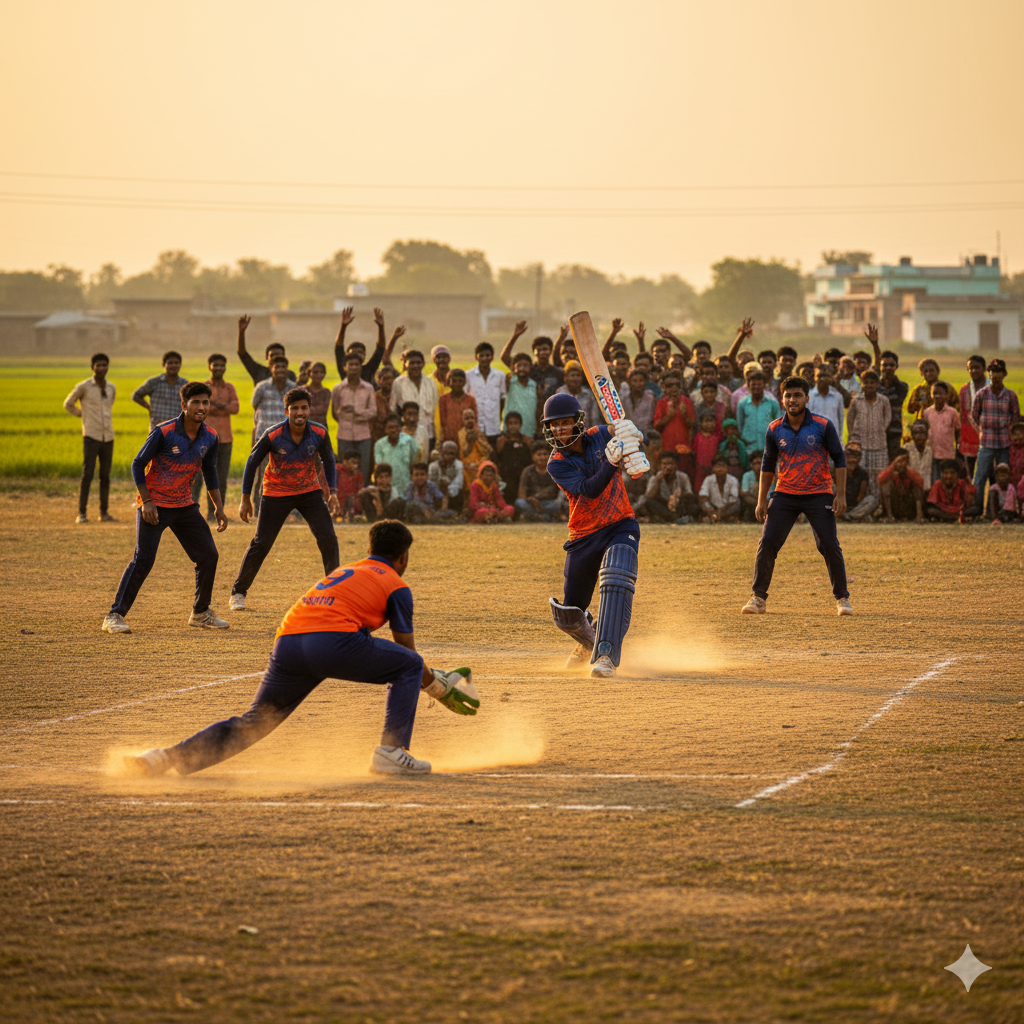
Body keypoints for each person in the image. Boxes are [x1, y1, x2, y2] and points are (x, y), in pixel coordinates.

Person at [124, 520, 480, 779]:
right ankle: (392, 751)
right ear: (403, 557)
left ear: (369, 550)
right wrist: (437, 686)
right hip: (332, 642)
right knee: (408, 664)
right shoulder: (395, 583)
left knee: (255, 722)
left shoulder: (348, 570)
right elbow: (408, 655)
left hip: (288, 641)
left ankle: (164, 758)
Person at [102, 381, 228, 635]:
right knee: (144, 560)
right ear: (184, 405)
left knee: (208, 555)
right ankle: (114, 615)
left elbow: (210, 470)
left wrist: (219, 508)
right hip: (155, 506)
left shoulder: (211, 436)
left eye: (205, 402)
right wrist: (146, 501)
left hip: (184, 504)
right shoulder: (164, 431)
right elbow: (138, 464)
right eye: (196, 402)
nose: (201, 407)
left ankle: (200, 612)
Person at [543, 393, 646, 677]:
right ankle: (589, 641)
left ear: (578, 422)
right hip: (584, 535)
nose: (560, 430)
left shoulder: (598, 434)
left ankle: (605, 656)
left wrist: (634, 434)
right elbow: (588, 489)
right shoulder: (557, 463)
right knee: (568, 614)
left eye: (565, 423)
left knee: (615, 578)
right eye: (554, 425)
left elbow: (623, 433)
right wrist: (611, 463)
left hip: (619, 523)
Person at [741, 376, 851, 616]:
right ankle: (758, 598)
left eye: (797, 395)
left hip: (819, 493)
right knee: (768, 541)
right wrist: (762, 500)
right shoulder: (774, 428)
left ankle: (842, 598)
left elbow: (839, 459)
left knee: (829, 544)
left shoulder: (823, 425)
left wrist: (840, 494)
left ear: (806, 398)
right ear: (782, 399)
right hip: (785, 493)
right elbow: (767, 466)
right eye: (788, 395)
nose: (793, 400)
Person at [229, 388, 340, 611]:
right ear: (286, 410)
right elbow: (252, 463)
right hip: (275, 492)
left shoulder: (319, 432)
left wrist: (334, 492)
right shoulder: (273, 434)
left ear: (309, 409)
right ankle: (238, 593)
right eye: (295, 408)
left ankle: (336, 591)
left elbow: (328, 460)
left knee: (328, 537)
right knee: (261, 543)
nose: (300, 412)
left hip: (309, 491)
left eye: (304, 408)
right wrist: (245, 498)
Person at [64, 352, 116, 524]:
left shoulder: (111, 388)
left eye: (104, 365)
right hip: (91, 435)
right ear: (92, 367)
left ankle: (104, 513)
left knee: (105, 475)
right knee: (88, 474)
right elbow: (68, 403)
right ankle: (82, 513)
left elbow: (110, 405)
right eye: (98, 365)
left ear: (108, 367)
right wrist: (82, 415)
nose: (101, 368)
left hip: (108, 435)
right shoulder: (84, 386)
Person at [191, 353, 240, 520]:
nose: (218, 368)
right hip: (203, 438)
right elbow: (200, 408)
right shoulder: (203, 387)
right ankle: (191, 511)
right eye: (215, 365)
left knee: (221, 478)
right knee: (196, 477)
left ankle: (216, 513)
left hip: (225, 438)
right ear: (209, 367)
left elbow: (235, 408)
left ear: (225, 367)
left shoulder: (230, 388)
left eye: (221, 365)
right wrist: (221, 406)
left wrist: (215, 405)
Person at [251, 356, 302, 516]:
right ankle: (259, 510)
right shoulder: (262, 387)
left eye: (283, 367)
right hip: (265, 438)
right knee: (263, 475)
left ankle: (287, 510)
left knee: (288, 475)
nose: (280, 370)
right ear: (271, 368)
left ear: (287, 369)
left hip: (287, 439)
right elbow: (254, 406)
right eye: (277, 367)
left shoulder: (293, 388)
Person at [971, 359, 1021, 502]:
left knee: (1005, 477)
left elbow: (1015, 417)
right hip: (986, 443)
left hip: (1005, 445)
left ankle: (1005, 507)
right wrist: (982, 431)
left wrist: (1008, 431)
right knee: (980, 476)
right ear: (989, 374)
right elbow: (974, 416)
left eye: (998, 371)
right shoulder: (982, 394)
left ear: (1004, 374)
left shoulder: (1011, 396)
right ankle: (977, 508)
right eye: (992, 371)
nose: (995, 375)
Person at [331, 351, 376, 487]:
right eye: (350, 365)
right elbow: (334, 412)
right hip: (344, 434)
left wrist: (357, 414)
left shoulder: (368, 388)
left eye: (357, 365)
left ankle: (360, 501)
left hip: (363, 435)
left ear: (361, 367)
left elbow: (373, 412)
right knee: (344, 470)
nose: (354, 368)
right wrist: (344, 419)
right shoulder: (338, 388)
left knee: (363, 469)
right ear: (344, 367)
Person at [865, 324, 908, 460]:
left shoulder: (901, 387)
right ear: (880, 367)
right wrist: (875, 345)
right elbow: (875, 367)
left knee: (892, 465)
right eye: (885, 365)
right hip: (875, 433)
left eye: (891, 365)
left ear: (897, 367)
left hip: (894, 433)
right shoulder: (875, 386)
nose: (888, 368)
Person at [845, 369, 891, 496]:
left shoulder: (883, 400)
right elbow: (850, 418)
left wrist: (881, 429)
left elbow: (888, 417)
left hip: (879, 445)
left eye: (872, 382)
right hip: (861, 444)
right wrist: (853, 436)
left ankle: (878, 501)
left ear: (877, 384)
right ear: (862, 384)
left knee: (879, 474)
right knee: (864, 474)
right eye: (866, 382)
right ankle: (864, 501)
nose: (869, 385)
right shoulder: (856, 400)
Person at [391, 349, 439, 452]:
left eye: (418, 362)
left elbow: (436, 410)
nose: (415, 366)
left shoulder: (431, 383)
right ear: (405, 364)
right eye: (412, 363)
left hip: (428, 433)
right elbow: (393, 409)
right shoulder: (398, 383)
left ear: (423, 364)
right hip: (405, 434)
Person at [132, 351, 189, 432]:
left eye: (176, 363)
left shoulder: (185, 384)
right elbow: (136, 395)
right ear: (163, 365)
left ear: (180, 365)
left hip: (177, 429)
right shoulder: (154, 382)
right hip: (157, 428)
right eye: (170, 363)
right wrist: (148, 408)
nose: (173, 365)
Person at [237, 315, 300, 385]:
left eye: (278, 355)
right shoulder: (259, 371)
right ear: (267, 357)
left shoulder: (290, 375)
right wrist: (241, 333)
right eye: (272, 355)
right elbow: (243, 354)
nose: (275, 357)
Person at [653, 372, 695, 476]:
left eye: (677, 385)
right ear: (664, 388)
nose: (674, 388)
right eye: (670, 386)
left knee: (683, 474)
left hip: (683, 447)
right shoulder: (661, 403)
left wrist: (685, 415)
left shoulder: (687, 402)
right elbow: (657, 427)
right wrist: (668, 417)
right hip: (667, 447)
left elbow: (692, 425)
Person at [465, 341, 506, 444]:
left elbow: (502, 399)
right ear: (476, 357)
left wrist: (497, 417)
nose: (484, 358)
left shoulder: (499, 376)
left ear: (492, 357)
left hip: (494, 426)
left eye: (487, 355)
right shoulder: (468, 376)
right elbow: (466, 400)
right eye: (481, 355)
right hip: (475, 425)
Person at [921, 382, 960, 482]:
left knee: (947, 481)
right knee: (934, 481)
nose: (937, 396)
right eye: (935, 393)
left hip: (947, 454)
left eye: (941, 393)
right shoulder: (927, 413)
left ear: (946, 395)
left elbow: (958, 432)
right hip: (932, 454)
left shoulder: (952, 412)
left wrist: (958, 451)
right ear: (931, 395)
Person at [516, 441, 563, 522]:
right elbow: (521, 493)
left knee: (560, 504)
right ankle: (545, 516)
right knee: (519, 502)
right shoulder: (527, 471)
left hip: (550, 503)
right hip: (532, 504)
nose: (542, 457)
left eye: (545, 454)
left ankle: (536, 516)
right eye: (539, 455)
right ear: (533, 457)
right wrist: (530, 500)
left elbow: (562, 491)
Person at [736, 370, 780, 455]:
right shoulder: (742, 404)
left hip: (768, 448)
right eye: (753, 384)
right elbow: (740, 426)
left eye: (759, 384)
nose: (756, 387)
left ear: (764, 385)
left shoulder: (773, 404)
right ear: (748, 385)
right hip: (749, 449)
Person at [645, 450, 696, 524]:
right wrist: (658, 482)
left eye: (671, 464)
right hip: (663, 506)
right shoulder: (655, 478)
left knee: (694, 507)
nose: (668, 467)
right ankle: (674, 519)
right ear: (660, 465)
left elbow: (690, 494)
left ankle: (672, 518)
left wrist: (678, 497)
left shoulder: (683, 477)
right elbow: (649, 496)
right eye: (664, 464)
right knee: (649, 503)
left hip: (678, 505)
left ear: (676, 465)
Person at [958, 355, 989, 478]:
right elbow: (962, 415)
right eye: (970, 368)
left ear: (984, 369)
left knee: (991, 471)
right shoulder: (964, 389)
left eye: (977, 367)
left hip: (989, 434)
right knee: (969, 471)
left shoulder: (992, 387)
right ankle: (972, 496)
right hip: (969, 435)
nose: (973, 371)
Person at [374, 413, 418, 497]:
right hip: (387, 488)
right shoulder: (379, 445)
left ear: (401, 428)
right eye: (390, 427)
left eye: (396, 427)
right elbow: (379, 467)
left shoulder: (409, 441)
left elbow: (415, 461)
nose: (394, 430)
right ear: (385, 429)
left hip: (405, 486)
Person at [878, 449, 925, 523]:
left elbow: (920, 484)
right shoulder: (889, 473)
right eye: (900, 461)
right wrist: (894, 466)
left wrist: (906, 473)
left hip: (908, 506)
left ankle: (918, 517)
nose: (903, 463)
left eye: (905, 460)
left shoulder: (911, 472)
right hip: (896, 506)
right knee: (886, 485)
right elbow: (880, 479)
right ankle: (890, 517)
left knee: (916, 485)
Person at [494, 411, 533, 494]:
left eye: (516, 423)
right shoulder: (501, 441)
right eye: (510, 423)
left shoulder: (527, 440)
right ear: (506, 425)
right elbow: (496, 459)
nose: (513, 426)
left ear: (520, 425)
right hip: (506, 477)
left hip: (523, 477)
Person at [555, 360, 601, 430]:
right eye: (572, 375)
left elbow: (594, 418)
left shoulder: (588, 395)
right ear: (566, 378)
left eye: (578, 375)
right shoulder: (559, 394)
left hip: (586, 434)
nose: (575, 379)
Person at [437, 367, 478, 445]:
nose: (457, 384)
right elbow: (443, 421)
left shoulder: (470, 400)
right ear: (449, 382)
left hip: (466, 439)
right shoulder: (443, 399)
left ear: (464, 382)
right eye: (454, 381)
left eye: (460, 381)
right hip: (449, 438)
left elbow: (475, 420)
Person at [503, 351, 539, 438]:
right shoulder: (509, 382)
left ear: (530, 367)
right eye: (519, 366)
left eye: (525, 366)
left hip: (529, 431)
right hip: (510, 432)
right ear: (514, 367)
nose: (522, 368)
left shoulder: (534, 385)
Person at [838, 445, 878, 522]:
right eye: (849, 458)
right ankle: (854, 517)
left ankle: (849, 516)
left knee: (872, 500)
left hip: (856, 506)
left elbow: (861, 496)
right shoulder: (838, 470)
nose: (851, 460)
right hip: (839, 505)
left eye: (854, 458)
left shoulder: (862, 473)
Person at [699, 454, 741, 522]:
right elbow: (703, 496)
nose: (720, 469)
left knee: (737, 503)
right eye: (718, 466)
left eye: (723, 466)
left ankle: (718, 518)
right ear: (713, 468)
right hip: (712, 507)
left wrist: (720, 512)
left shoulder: (733, 480)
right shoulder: (708, 479)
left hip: (727, 508)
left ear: (727, 468)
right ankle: (718, 518)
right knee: (703, 503)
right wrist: (710, 511)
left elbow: (733, 499)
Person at [807, 365, 845, 438]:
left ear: (831, 378)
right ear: (814, 378)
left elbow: (841, 420)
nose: (822, 379)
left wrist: (839, 440)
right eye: (819, 376)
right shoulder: (808, 397)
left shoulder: (837, 397)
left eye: (826, 376)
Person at [428, 441, 465, 514]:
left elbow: (458, 484)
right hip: (437, 495)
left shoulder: (459, 465)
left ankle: (455, 513)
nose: (449, 456)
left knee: (460, 493)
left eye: (452, 454)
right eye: (447, 453)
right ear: (442, 453)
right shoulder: (433, 466)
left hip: (452, 496)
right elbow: (431, 483)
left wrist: (447, 494)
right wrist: (442, 471)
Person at [458, 406, 492, 482]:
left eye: (472, 418)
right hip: (466, 464)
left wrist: (477, 439)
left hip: (480, 462)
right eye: (467, 418)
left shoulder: (479, 432)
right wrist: (470, 444)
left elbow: (487, 451)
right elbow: (463, 454)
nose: (470, 420)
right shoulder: (460, 434)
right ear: (462, 420)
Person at [692, 411, 722, 492]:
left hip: (712, 467)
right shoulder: (698, 437)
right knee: (699, 487)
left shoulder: (716, 437)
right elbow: (694, 452)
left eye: (711, 421)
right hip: (700, 466)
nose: (709, 424)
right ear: (701, 423)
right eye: (706, 421)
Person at [621, 367, 656, 436]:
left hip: (645, 435)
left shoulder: (650, 398)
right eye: (634, 381)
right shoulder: (624, 399)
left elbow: (649, 418)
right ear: (630, 382)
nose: (638, 384)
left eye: (641, 381)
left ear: (646, 382)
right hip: (627, 436)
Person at [335, 450, 364, 521]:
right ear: (344, 461)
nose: (355, 466)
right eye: (353, 462)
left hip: (351, 508)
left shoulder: (358, 475)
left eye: (357, 463)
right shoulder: (337, 470)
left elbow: (359, 493)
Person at [906, 421, 934, 487]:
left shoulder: (930, 451)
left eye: (922, 432)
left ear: (927, 435)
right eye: (916, 433)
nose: (919, 436)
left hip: (926, 489)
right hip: (910, 489)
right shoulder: (906, 449)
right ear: (912, 435)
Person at [740, 450, 762, 521]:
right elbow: (744, 493)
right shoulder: (747, 475)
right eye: (755, 463)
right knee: (747, 499)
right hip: (752, 502)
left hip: (768, 502)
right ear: (751, 465)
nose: (758, 466)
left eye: (760, 463)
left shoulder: (771, 475)